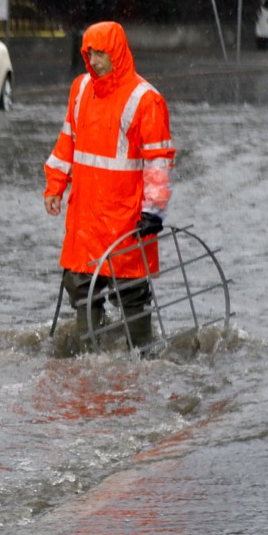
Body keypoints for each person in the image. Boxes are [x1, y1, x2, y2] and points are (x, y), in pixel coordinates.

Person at [44, 21, 175, 350]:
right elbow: (67, 141)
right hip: (85, 214)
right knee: (80, 286)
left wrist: (153, 211)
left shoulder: (145, 99)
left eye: (101, 53)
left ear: (116, 52)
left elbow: (158, 160)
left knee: (130, 290)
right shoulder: (81, 89)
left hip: (124, 217)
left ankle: (142, 355)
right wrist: (55, 185)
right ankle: (90, 357)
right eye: (90, 53)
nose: (95, 59)